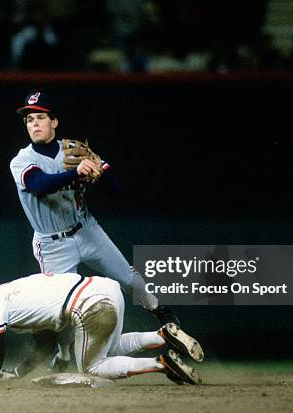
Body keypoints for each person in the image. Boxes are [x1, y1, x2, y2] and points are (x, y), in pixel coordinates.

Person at [9, 91, 182, 326]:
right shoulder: (21, 160)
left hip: (87, 230)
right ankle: (61, 357)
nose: (34, 123)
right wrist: (75, 172)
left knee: (130, 280)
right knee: (62, 310)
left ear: (54, 122)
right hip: (52, 245)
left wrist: (99, 174)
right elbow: (40, 185)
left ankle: (164, 315)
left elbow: (116, 192)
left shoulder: (75, 151)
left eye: (40, 117)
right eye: (29, 119)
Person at [0, 272, 204, 384]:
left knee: (92, 366)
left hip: (88, 304)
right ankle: (162, 335)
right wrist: (18, 374)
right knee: (109, 348)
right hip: (105, 289)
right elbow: (45, 345)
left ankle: (162, 364)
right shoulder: (13, 297)